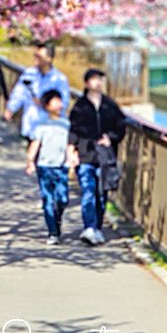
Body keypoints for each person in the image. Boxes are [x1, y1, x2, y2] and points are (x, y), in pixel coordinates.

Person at [68, 68, 127, 245]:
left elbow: (121, 126)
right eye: (94, 80)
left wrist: (111, 138)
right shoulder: (80, 106)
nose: (98, 83)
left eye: (100, 79)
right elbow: (74, 130)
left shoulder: (110, 105)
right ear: (87, 83)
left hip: (105, 157)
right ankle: (89, 227)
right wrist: (71, 151)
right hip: (86, 154)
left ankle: (97, 227)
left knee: (101, 194)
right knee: (87, 191)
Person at [25, 89, 78, 244]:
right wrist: (30, 161)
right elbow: (35, 144)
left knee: (62, 198)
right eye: (55, 101)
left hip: (61, 166)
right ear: (47, 106)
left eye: (60, 101)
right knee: (48, 198)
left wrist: (72, 162)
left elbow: (71, 145)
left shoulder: (67, 124)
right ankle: (52, 232)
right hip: (44, 166)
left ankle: (57, 218)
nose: (59, 104)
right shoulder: (41, 126)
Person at [4, 42, 70, 141]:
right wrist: (11, 108)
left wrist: (45, 103)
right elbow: (19, 92)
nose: (36, 59)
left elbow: (64, 102)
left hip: (50, 127)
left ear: (49, 58)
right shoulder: (29, 74)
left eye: (39, 56)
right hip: (31, 124)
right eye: (35, 56)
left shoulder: (59, 79)